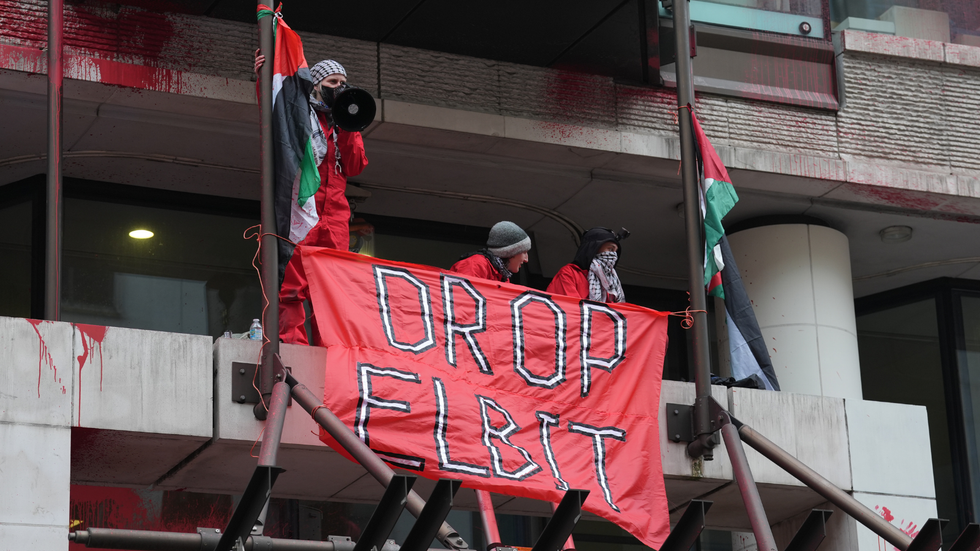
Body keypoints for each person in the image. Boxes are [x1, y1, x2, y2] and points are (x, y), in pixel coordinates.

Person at [256, 52, 370, 344]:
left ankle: (329, 348)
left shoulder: (344, 122)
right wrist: (262, 78)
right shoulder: (298, 111)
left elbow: (355, 165)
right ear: (317, 85)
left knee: (331, 289)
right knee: (292, 285)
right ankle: (293, 346)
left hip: (336, 219)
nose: (340, 88)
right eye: (333, 82)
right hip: (302, 210)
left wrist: (348, 124)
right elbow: (274, 110)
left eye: (344, 83)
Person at [547, 227, 629, 303]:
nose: (613, 255)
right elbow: (571, 309)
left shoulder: (610, 283)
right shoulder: (569, 273)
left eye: (615, 251)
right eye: (610, 249)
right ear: (593, 248)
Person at [450, 221, 531, 282]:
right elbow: (461, 298)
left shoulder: (503, 276)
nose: (526, 260)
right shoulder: (475, 265)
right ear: (510, 252)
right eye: (524, 252)